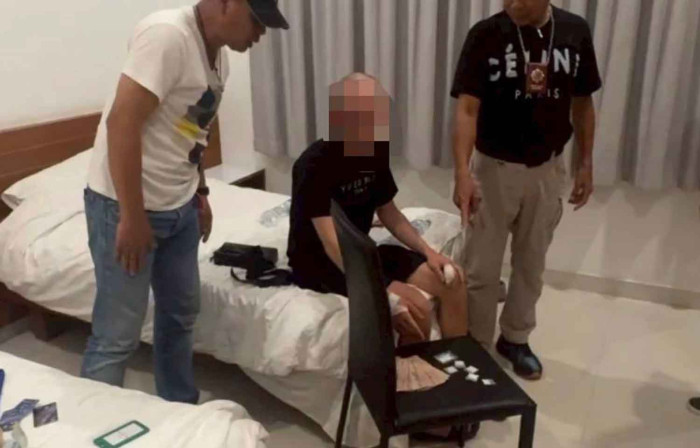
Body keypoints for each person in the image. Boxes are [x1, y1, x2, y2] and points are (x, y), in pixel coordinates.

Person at [81, 0, 288, 403]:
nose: (260, 34)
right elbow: (121, 123)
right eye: (256, 22)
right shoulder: (167, 36)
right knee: (117, 335)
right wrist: (132, 217)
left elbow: (191, 133)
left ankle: (178, 405)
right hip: (126, 207)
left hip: (180, 206)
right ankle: (96, 422)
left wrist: (201, 192)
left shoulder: (219, 59)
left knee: (180, 315)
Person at [451, 0, 601, 380]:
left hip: (548, 169)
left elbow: (583, 103)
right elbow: (467, 109)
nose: (512, 2)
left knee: (531, 263)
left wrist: (585, 163)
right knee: (481, 267)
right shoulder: (485, 35)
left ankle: (515, 338)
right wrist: (462, 173)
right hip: (493, 169)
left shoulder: (574, 32)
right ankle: (477, 344)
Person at [288, 72, 469, 346]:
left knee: (452, 282)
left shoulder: (374, 150)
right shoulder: (313, 165)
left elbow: (389, 213)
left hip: (362, 252)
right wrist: (383, 292)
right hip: (321, 264)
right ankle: (411, 372)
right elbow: (331, 243)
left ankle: (458, 363)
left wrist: (429, 252)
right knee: (416, 308)